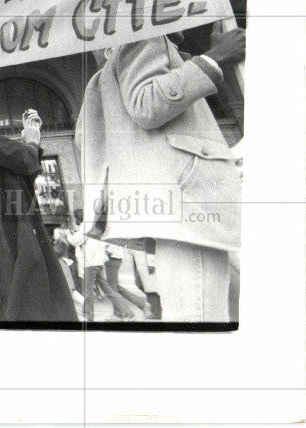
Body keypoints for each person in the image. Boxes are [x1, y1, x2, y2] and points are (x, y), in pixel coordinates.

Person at [75, 29, 245, 321]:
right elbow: (147, 105)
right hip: (188, 204)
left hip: (184, 204)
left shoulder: (142, 42)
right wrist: (214, 58)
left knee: (213, 310)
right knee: (199, 316)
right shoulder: (144, 33)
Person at [0, 97, 77, 322]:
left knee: (6, 282)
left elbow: (22, 168)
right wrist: (31, 141)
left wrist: (29, 141)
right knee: (22, 274)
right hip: (5, 219)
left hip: (4, 216)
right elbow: (22, 160)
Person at [68, 210, 136, 321]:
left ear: (78, 218)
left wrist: (68, 235)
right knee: (108, 290)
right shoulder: (94, 226)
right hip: (98, 261)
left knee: (88, 291)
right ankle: (127, 313)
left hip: (90, 262)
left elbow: (76, 241)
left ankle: (88, 316)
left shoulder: (85, 227)